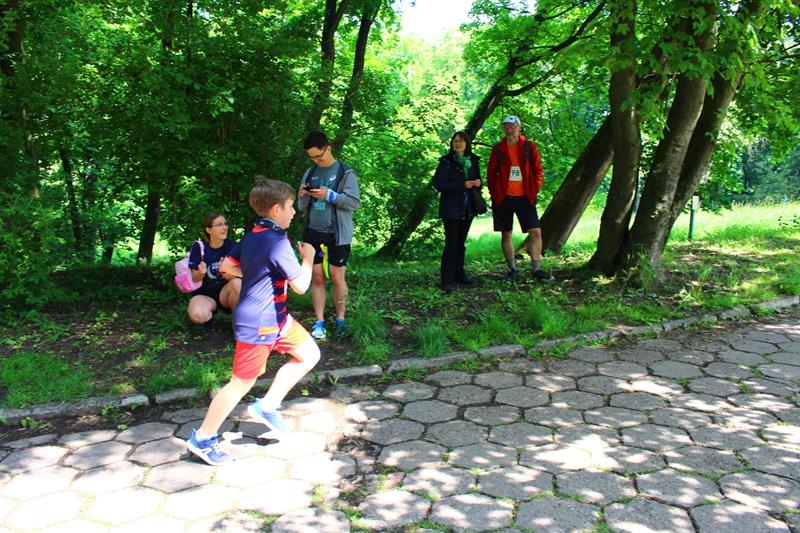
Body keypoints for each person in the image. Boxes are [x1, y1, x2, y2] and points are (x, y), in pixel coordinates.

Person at [186, 178, 320, 466]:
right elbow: (300, 286)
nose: (293, 212)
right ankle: (203, 438)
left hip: (278, 318)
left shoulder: (254, 234)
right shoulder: (277, 242)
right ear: (276, 209)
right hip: (260, 323)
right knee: (240, 383)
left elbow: (227, 266)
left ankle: (268, 405)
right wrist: (308, 259)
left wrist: (257, 276)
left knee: (310, 354)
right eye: (290, 207)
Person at [297, 131, 361, 340]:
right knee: (317, 277)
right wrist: (303, 195)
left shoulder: (345, 173)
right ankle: (319, 321)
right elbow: (302, 207)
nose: (316, 161)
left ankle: (341, 319)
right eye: (312, 158)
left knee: (337, 277)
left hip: (338, 233)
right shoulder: (310, 173)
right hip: (313, 232)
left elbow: (353, 203)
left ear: (329, 148)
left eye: (319, 156)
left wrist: (330, 195)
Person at [486, 115, 551, 281]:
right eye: (507, 126)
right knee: (506, 233)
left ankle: (536, 269)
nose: (510, 129)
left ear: (519, 128)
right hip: (503, 197)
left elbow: (538, 170)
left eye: (513, 126)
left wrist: (535, 188)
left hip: (525, 197)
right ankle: (512, 269)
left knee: (535, 232)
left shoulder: (529, 146)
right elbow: (491, 173)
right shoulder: (498, 148)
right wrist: (494, 193)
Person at [432, 131, 483, 293]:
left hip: (468, 207)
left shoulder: (473, 161)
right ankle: (447, 280)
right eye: (455, 141)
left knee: (461, 243)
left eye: (461, 141)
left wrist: (478, 183)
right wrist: (462, 185)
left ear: (467, 144)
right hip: (451, 208)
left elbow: (479, 182)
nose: (457, 144)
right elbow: (439, 184)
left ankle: (459, 274)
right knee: (451, 243)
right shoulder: (446, 162)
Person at [187, 212, 242, 330]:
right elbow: (195, 278)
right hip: (205, 294)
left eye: (225, 224)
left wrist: (225, 271)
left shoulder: (233, 247)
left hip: (226, 294)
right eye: (219, 224)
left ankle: (239, 323)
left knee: (237, 283)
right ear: (208, 230)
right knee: (197, 314)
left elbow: (237, 277)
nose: (224, 227)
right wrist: (201, 272)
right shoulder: (199, 247)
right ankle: (208, 319)